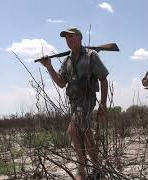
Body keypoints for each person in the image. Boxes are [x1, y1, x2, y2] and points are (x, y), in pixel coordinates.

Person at [39, 27, 109, 180]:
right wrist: (49, 66)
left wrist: (103, 104)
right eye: (66, 38)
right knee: (85, 132)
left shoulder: (91, 55)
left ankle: (82, 166)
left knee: (72, 130)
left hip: (87, 98)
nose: (68, 40)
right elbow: (61, 83)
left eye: (72, 37)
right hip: (74, 101)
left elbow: (103, 78)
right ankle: (96, 167)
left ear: (80, 38)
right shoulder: (67, 61)